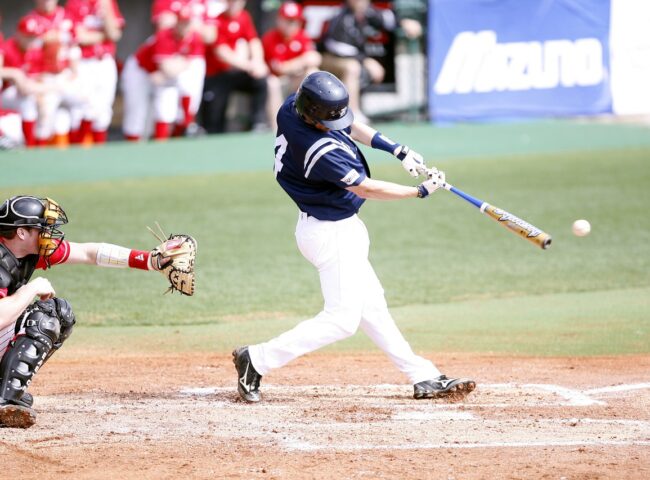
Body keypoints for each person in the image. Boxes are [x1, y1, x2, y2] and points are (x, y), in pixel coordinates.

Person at [232, 71, 475, 403]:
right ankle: (256, 359)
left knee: (372, 306)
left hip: (334, 228)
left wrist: (397, 149)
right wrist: (418, 191)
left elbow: (349, 124)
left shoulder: (294, 108)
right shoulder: (318, 150)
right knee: (342, 320)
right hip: (330, 233)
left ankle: (423, 376)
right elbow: (365, 187)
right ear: (312, 114)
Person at [0, 196, 173, 428]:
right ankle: (3, 402)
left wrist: (151, 260)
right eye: (42, 228)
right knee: (43, 319)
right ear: (21, 232)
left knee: (60, 313)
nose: (49, 234)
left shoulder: (27, 252)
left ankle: (5, 388)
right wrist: (30, 289)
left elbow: (89, 253)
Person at [320, 0, 422, 123]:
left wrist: (404, 23)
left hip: (354, 60)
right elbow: (337, 47)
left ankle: (345, 108)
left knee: (361, 70)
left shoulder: (368, 12)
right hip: (329, 58)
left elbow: (387, 19)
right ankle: (352, 114)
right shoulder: (341, 16)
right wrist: (366, 60)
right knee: (353, 68)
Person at [121, 5, 205, 141]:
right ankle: (131, 149)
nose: (185, 26)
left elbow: (182, 67)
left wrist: (176, 65)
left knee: (166, 111)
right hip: (140, 71)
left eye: (187, 23)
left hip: (162, 76)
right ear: (176, 22)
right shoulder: (165, 35)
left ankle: (185, 127)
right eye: (182, 22)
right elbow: (167, 68)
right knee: (136, 115)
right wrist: (178, 64)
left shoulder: (194, 38)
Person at [200, 0, 269, 133]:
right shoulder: (217, 20)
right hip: (217, 76)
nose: (234, 4)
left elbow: (253, 41)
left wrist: (258, 61)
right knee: (214, 123)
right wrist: (249, 66)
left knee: (260, 80)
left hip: (238, 72)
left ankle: (258, 123)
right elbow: (221, 52)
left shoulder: (244, 17)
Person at [64, 0, 125, 144]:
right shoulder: (74, 3)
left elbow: (115, 34)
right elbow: (79, 36)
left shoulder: (107, 3)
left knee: (104, 110)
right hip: (83, 62)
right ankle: (77, 149)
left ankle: (98, 151)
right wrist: (104, 36)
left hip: (105, 61)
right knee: (83, 108)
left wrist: (106, 10)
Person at [263, 2, 321, 131]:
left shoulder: (301, 36)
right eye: (288, 21)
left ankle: (315, 121)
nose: (292, 25)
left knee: (312, 72)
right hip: (279, 83)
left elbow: (315, 58)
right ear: (279, 20)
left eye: (295, 21)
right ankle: (276, 127)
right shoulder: (270, 38)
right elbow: (280, 68)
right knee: (272, 83)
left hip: (295, 81)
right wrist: (302, 61)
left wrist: (298, 63)